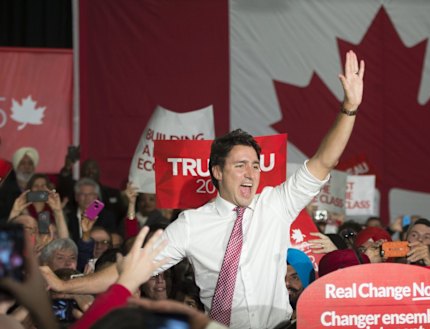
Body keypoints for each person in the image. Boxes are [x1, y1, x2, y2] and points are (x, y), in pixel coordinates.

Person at [41, 50, 365, 329]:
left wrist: (349, 108)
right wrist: (63, 285)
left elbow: (325, 160)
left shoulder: (276, 204)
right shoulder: (191, 224)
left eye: (255, 165)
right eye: (240, 165)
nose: (251, 173)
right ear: (217, 171)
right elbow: (130, 271)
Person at [0, 147, 39, 221]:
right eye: (22, 163)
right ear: (16, 166)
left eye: (30, 163)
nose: (27, 167)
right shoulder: (5, 191)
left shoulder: (41, 187)